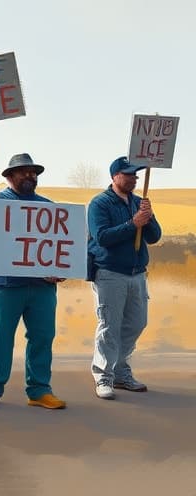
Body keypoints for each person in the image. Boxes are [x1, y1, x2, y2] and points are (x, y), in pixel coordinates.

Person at [0, 154, 67, 410]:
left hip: (42, 287)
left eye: (32, 172)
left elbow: (59, 245)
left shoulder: (48, 207)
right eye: (22, 171)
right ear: (9, 177)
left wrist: (61, 268)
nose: (29, 176)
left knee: (42, 337)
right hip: (5, 285)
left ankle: (39, 390)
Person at [88, 156, 161, 400]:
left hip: (137, 273)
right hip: (109, 273)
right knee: (109, 326)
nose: (134, 178)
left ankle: (120, 371)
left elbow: (154, 237)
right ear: (115, 176)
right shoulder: (100, 204)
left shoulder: (140, 202)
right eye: (128, 174)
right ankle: (103, 376)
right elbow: (102, 237)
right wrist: (133, 224)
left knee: (137, 323)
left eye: (135, 174)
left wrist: (147, 220)